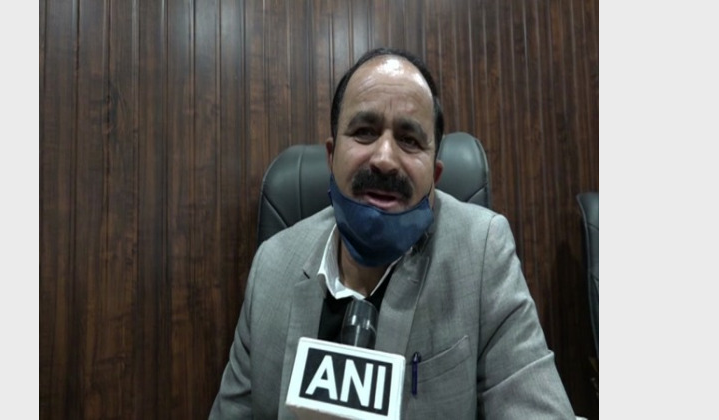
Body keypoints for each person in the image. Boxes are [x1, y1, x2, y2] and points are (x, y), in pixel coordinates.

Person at [210, 47, 575, 419]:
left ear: (434, 176)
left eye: (409, 140)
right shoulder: (271, 266)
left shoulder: (482, 255)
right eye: (364, 132)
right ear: (331, 157)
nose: (384, 159)